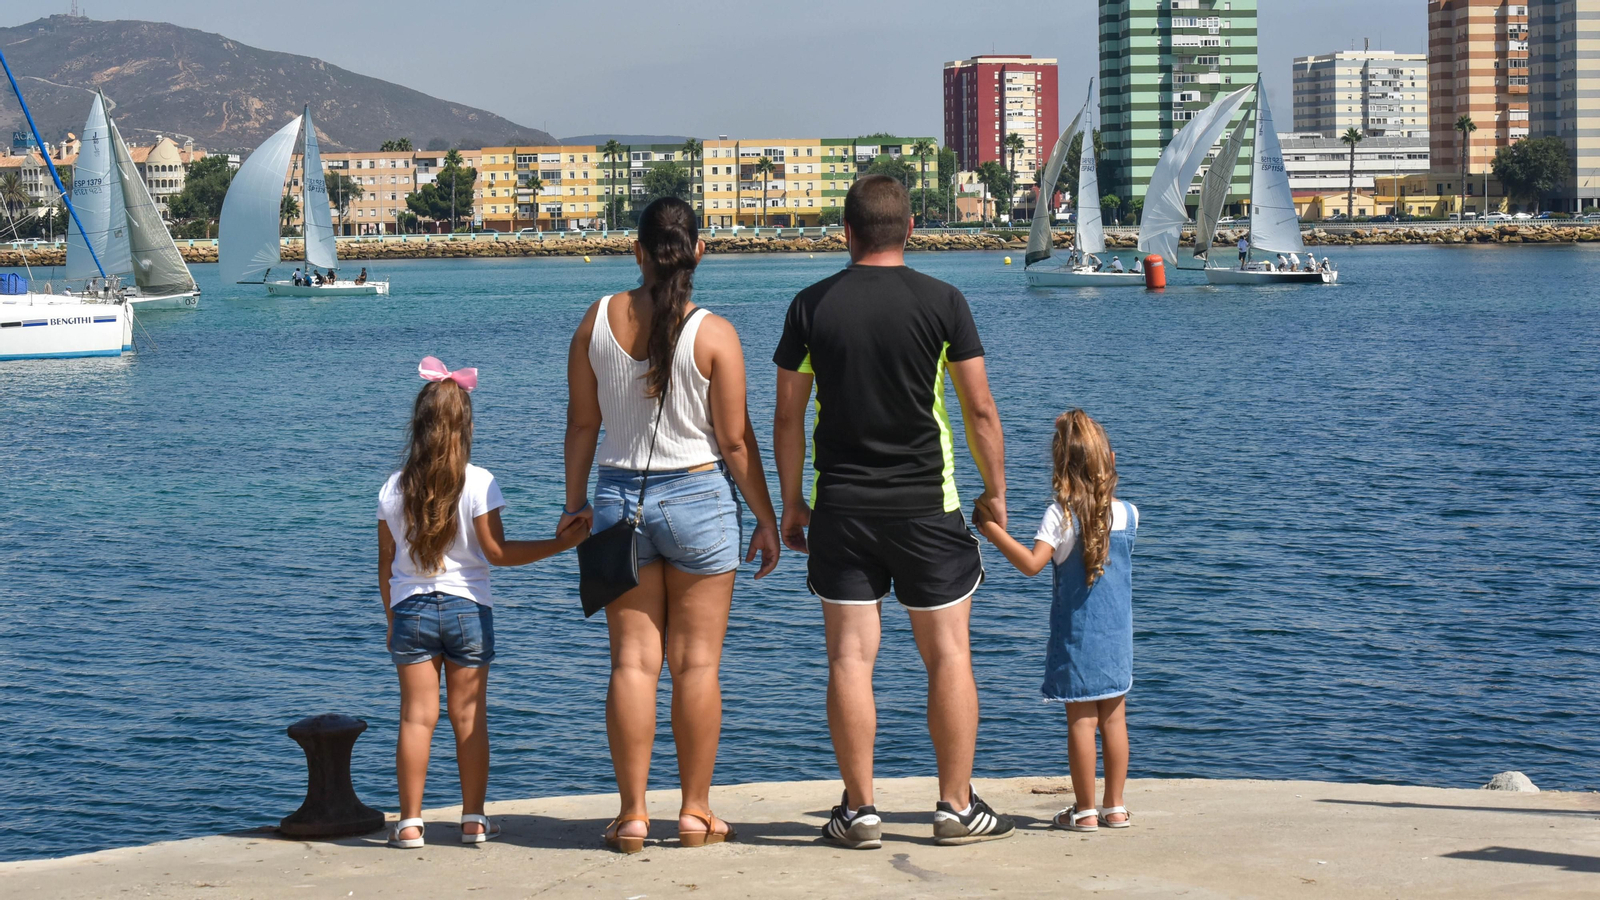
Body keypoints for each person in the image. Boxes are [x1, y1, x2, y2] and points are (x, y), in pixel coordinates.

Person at [773, 174, 1015, 849]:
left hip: (841, 508)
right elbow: (979, 409)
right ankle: (955, 807)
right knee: (949, 655)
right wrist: (995, 492)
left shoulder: (809, 306)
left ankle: (860, 811)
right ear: (910, 229)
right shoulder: (944, 301)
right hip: (928, 506)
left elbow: (788, 417)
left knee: (851, 659)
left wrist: (792, 502)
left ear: (846, 232)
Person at [562, 196, 780, 854]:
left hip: (617, 500)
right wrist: (767, 518)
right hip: (698, 499)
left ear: (636, 250)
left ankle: (632, 816)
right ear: (699, 252)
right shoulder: (715, 334)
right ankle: (693, 812)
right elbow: (734, 442)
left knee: (632, 664)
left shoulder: (596, 320)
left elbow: (583, 425)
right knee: (696, 666)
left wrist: (574, 504)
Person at [379, 357, 589, 850]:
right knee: (469, 717)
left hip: (410, 609)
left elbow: (386, 565)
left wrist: (392, 619)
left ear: (419, 425)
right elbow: (497, 552)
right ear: (465, 426)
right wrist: (561, 545)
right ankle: (473, 820)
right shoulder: (479, 482)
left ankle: (409, 823)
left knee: (415, 718)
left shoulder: (394, 486)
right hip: (467, 610)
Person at [974, 410, 1138, 834]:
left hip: (1078, 640)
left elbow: (1031, 565)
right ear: (1110, 461)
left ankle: (1084, 811)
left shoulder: (1060, 516)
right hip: (1117, 638)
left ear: (1061, 467)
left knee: (1081, 721)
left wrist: (991, 530)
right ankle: (1115, 807)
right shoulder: (1129, 515)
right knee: (1114, 719)